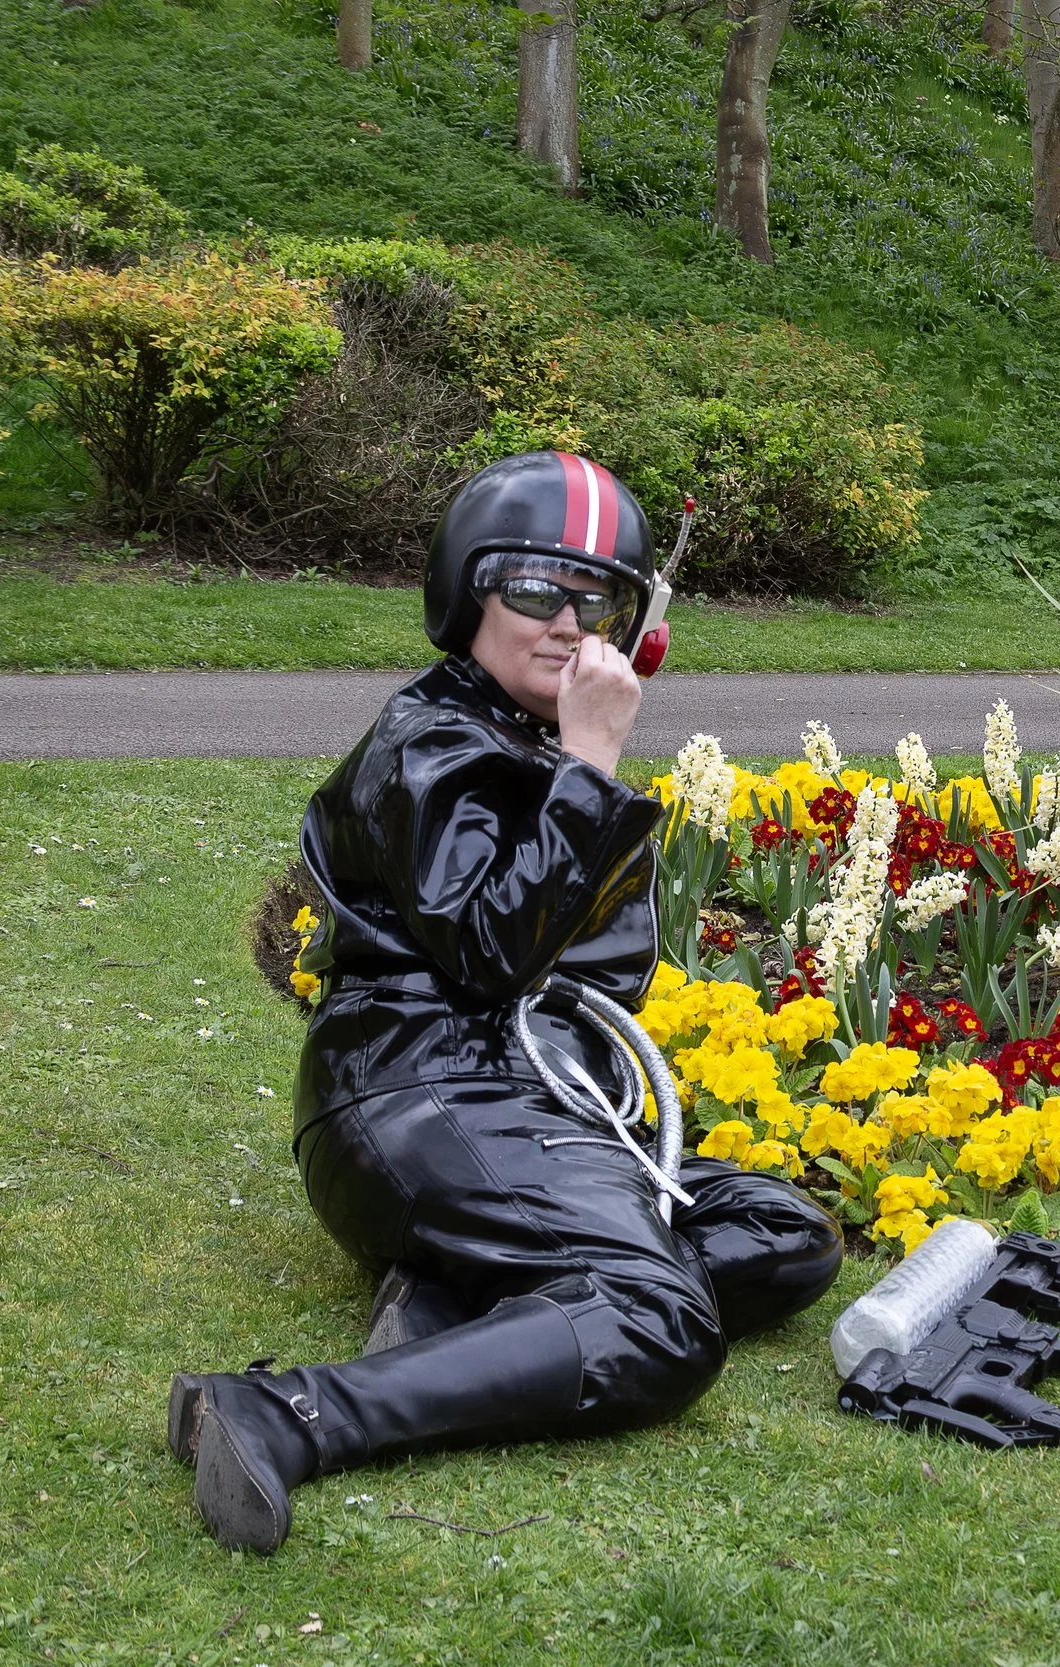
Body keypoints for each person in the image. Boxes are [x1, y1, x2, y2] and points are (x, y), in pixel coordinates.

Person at [166, 453, 840, 1555]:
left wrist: (574, 766)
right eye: (531, 588)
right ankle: (289, 1410)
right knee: (658, 1318)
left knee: (783, 1234)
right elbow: (488, 955)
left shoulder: (522, 740)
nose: (565, 622)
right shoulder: (428, 742)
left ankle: (456, 1303)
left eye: (598, 599)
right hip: (412, 1090)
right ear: (466, 592)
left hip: (519, 1100)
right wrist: (590, 766)